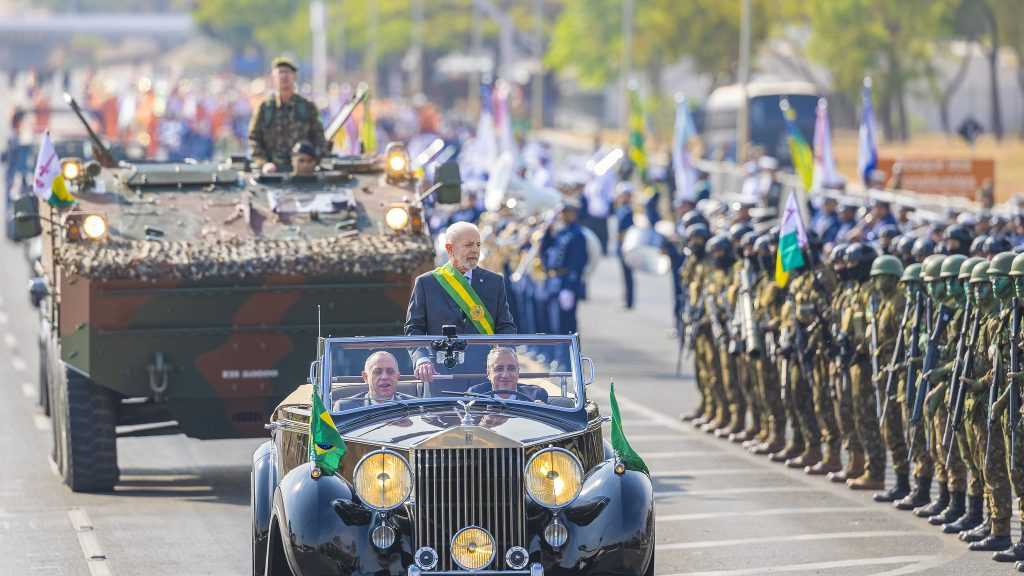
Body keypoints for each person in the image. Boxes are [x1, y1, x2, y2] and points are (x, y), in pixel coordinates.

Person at [406, 221, 516, 383]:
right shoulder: (426, 283)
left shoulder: (495, 282)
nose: (475, 250)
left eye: (478, 245)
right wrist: (421, 359)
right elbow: (414, 328)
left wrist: (506, 356)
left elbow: (505, 326)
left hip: (484, 375)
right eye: (468, 245)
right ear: (450, 249)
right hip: (440, 373)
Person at [248, 56, 326, 174]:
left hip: (302, 174)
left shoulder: (307, 107)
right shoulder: (265, 108)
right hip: (272, 172)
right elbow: (254, 139)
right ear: (273, 77)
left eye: (288, 72)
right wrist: (263, 163)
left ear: (294, 76)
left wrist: (312, 161)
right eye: (280, 72)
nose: (284, 76)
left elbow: (319, 139)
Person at [467, 347, 549, 403]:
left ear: (518, 372)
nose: (505, 375)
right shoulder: (475, 395)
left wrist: (542, 413)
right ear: (488, 373)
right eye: (499, 369)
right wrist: (484, 422)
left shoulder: (535, 395)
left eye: (511, 368)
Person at [333, 351, 401, 410]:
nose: (384, 377)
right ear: (365, 377)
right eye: (377, 372)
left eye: (390, 371)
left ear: (397, 377)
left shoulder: (410, 405)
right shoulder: (344, 408)